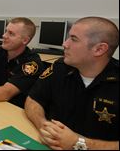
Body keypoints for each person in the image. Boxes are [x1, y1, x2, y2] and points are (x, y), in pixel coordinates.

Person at [25, 16, 119, 150]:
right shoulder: (60, 67)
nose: (65, 44)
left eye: (74, 39)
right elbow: (33, 100)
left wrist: (80, 143)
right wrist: (44, 126)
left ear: (99, 49)